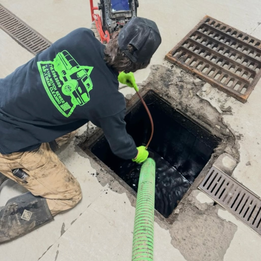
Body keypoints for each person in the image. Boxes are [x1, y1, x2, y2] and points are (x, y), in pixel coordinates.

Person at [0, 17, 161, 243]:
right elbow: (120, 146)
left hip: (6, 98)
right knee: (68, 195)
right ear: (141, 65)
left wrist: (113, 74)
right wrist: (136, 154)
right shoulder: (110, 102)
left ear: (116, 34)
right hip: (8, 142)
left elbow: (94, 66)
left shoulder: (80, 37)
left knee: (69, 131)